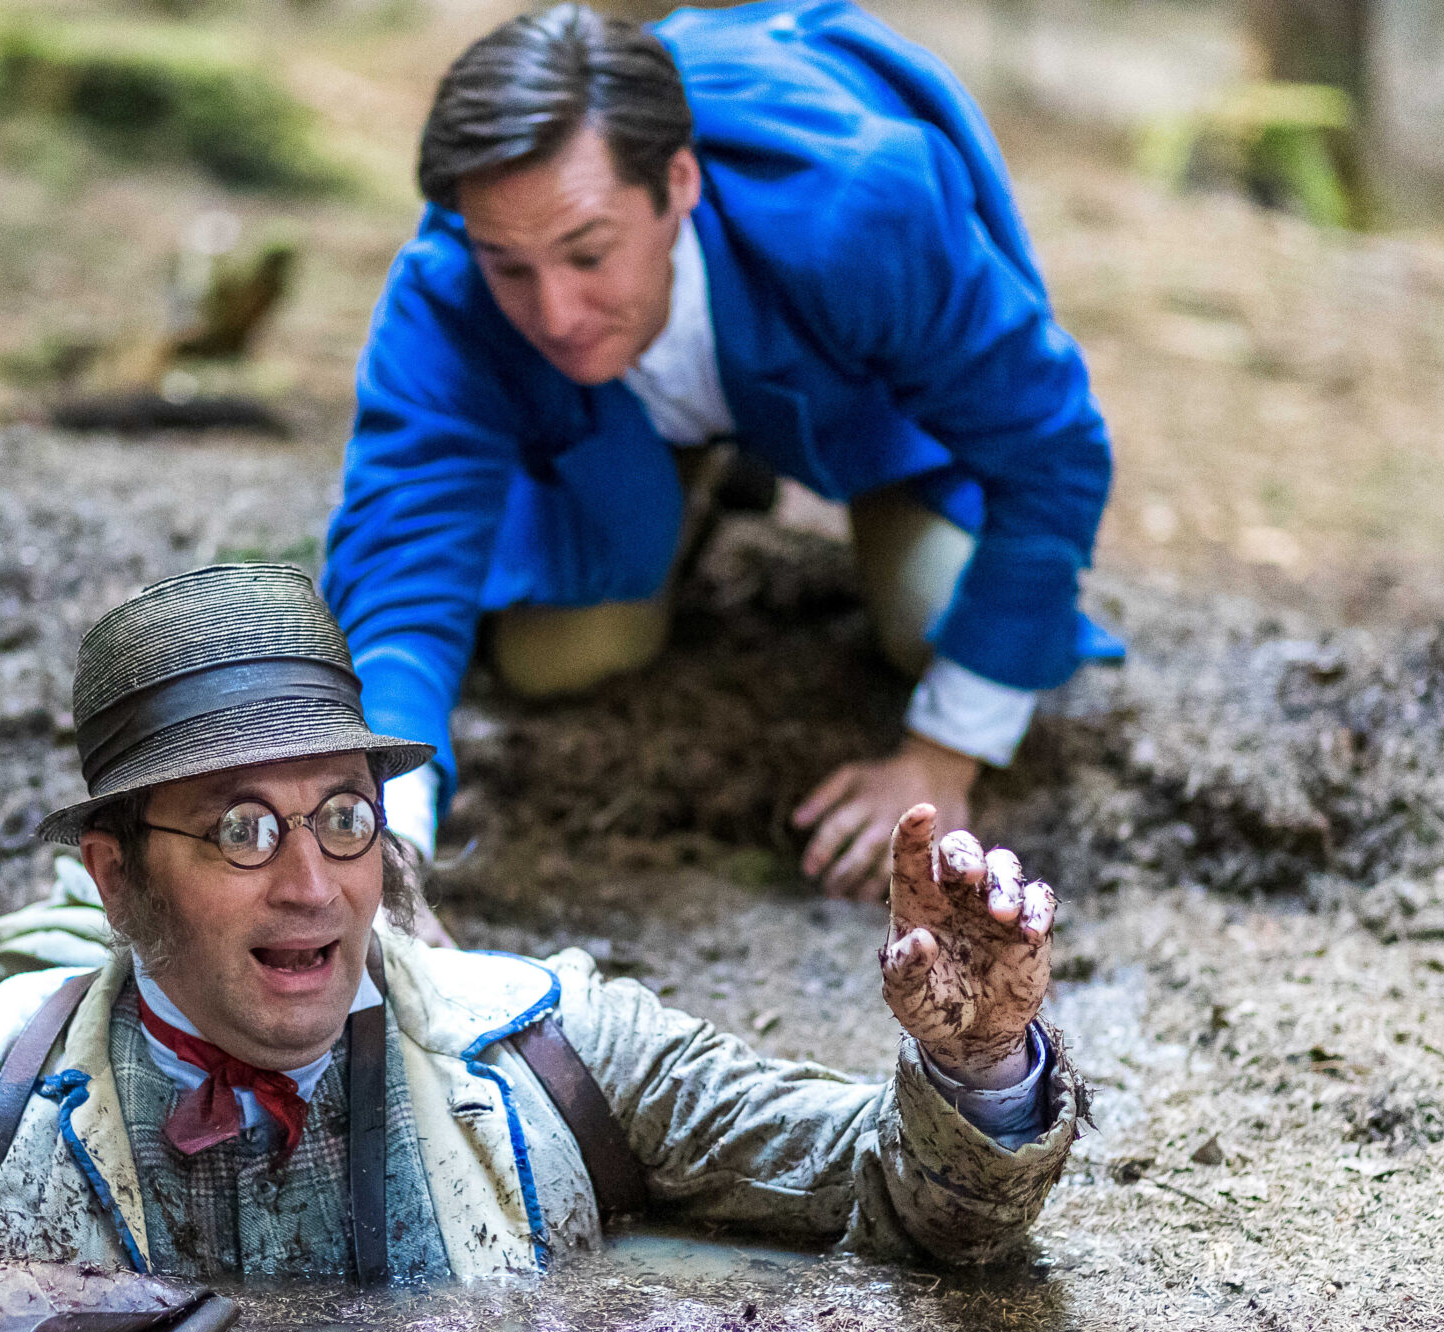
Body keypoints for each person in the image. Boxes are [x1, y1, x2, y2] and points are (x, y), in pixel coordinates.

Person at [0, 564, 1082, 1303]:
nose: (311, 881)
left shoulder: (562, 1050)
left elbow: (914, 1210)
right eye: (241, 828)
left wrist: (983, 1061)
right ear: (117, 868)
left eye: (342, 817)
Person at [322, 0, 1116, 904]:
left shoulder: (861, 207)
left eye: (588, 253)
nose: (554, 315)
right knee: (559, 654)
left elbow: (1054, 449)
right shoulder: (449, 281)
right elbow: (402, 569)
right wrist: (384, 849)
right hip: (625, 412)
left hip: (860, 388)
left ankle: (789, 468)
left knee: (931, 621)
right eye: (511, 268)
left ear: (680, 183)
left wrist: (942, 756)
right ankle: (696, 491)